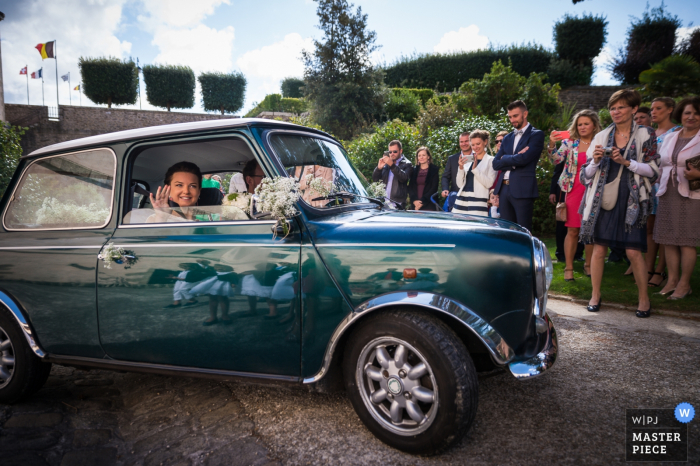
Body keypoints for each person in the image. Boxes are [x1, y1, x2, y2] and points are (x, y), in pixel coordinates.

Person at [579, 89, 659, 318]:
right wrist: (594, 161)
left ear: (634, 109)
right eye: (613, 108)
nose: (616, 111)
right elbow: (585, 175)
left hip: (633, 199)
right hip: (603, 199)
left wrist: (626, 162)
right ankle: (595, 295)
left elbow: (654, 172)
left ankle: (644, 299)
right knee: (598, 250)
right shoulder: (602, 136)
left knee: (634, 252)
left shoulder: (646, 134)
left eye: (621, 107)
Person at [653, 96, 700, 300]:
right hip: (667, 192)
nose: (691, 117)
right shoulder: (672, 136)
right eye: (687, 112)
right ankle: (671, 280)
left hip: (692, 195)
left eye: (697, 113)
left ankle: (684, 284)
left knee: (686, 242)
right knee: (668, 240)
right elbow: (660, 162)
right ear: (680, 114)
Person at [548, 109, 601, 281]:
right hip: (573, 189)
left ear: (594, 125)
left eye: (586, 123)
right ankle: (569, 268)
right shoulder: (570, 143)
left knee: (590, 230)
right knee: (572, 230)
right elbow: (556, 160)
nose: (583, 127)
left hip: (595, 189)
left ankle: (588, 265)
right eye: (580, 124)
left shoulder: (600, 142)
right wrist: (551, 144)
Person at [643, 97, 681, 287]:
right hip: (648, 186)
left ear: (670, 110)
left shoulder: (677, 132)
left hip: (667, 185)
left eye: (658, 108)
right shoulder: (649, 132)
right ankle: (648, 269)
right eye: (652, 109)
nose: (653, 112)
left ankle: (660, 271)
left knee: (665, 231)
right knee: (650, 229)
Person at [492, 100, 546, 231]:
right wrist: (515, 158)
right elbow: (495, 163)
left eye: (515, 116)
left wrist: (506, 158)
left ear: (525, 114)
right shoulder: (507, 138)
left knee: (523, 230)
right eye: (510, 117)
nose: (512, 120)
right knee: (507, 231)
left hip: (523, 189)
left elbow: (524, 159)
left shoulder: (536, 135)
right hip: (503, 189)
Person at [452, 130, 498, 216]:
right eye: (473, 145)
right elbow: (459, 184)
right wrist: (461, 168)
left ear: (485, 142)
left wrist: (475, 169)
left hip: (478, 201)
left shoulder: (491, 160)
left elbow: (489, 183)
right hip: (461, 200)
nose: (475, 147)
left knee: (476, 227)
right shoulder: (468, 159)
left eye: (478, 144)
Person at [372, 140, 413, 209]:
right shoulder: (386, 163)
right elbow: (375, 179)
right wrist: (379, 168)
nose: (392, 154)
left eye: (395, 151)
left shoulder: (407, 163)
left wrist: (392, 165)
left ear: (401, 151)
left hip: (397, 204)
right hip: (383, 202)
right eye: (390, 152)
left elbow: (403, 178)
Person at [408, 146, 439, 211]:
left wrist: (422, 202)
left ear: (428, 157)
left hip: (429, 203)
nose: (421, 157)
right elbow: (410, 187)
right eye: (419, 155)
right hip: (415, 205)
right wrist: (414, 201)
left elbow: (434, 188)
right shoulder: (413, 170)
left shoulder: (434, 170)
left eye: (423, 155)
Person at [441, 132, 472, 198]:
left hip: (473, 196)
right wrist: (445, 189)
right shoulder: (452, 159)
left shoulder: (478, 157)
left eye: (466, 141)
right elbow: (445, 176)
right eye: (461, 142)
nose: (464, 144)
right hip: (456, 196)